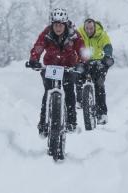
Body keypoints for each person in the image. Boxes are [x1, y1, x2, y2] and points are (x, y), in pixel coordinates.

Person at [29, 8, 85, 136]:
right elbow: (38, 47)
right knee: (48, 92)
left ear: (65, 25)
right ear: (52, 25)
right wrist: (33, 59)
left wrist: (83, 62)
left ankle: (71, 122)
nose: (58, 28)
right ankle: (43, 125)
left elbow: (82, 49)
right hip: (50, 67)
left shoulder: (74, 34)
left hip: (68, 67)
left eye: (60, 25)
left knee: (69, 91)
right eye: (55, 25)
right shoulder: (47, 33)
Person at [76, 18, 114, 125]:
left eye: (91, 28)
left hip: (99, 62)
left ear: (94, 27)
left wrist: (108, 56)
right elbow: (73, 45)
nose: (89, 30)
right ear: (84, 27)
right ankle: (79, 100)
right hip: (84, 61)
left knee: (99, 84)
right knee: (77, 76)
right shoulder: (79, 33)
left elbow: (107, 46)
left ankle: (102, 114)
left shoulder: (101, 34)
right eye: (86, 28)